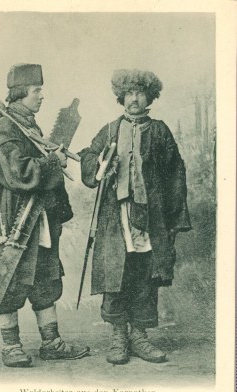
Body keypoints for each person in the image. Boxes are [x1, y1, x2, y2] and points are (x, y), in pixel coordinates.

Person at [79, 69, 191, 365]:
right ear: (121, 97)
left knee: (144, 272)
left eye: (140, 93)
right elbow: (89, 158)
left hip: (150, 216)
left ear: (149, 97)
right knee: (117, 272)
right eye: (129, 94)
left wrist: (172, 220)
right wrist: (102, 164)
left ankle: (139, 336)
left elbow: (175, 174)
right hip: (116, 216)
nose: (134, 99)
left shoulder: (160, 131)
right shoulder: (110, 130)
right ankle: (118, 336)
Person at [0, 63, 89, 367]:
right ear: (21, 94)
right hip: (14, 219)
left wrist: (52, 158)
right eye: (37, 90)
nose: (42, 96)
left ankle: (52, 343)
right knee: (8, 279)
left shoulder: (29, 125)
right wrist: (51, 163)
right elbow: (17, 173)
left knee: (44, 275)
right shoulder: (6, 127)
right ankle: (11, 347)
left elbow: (39, 164)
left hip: (38, 217)